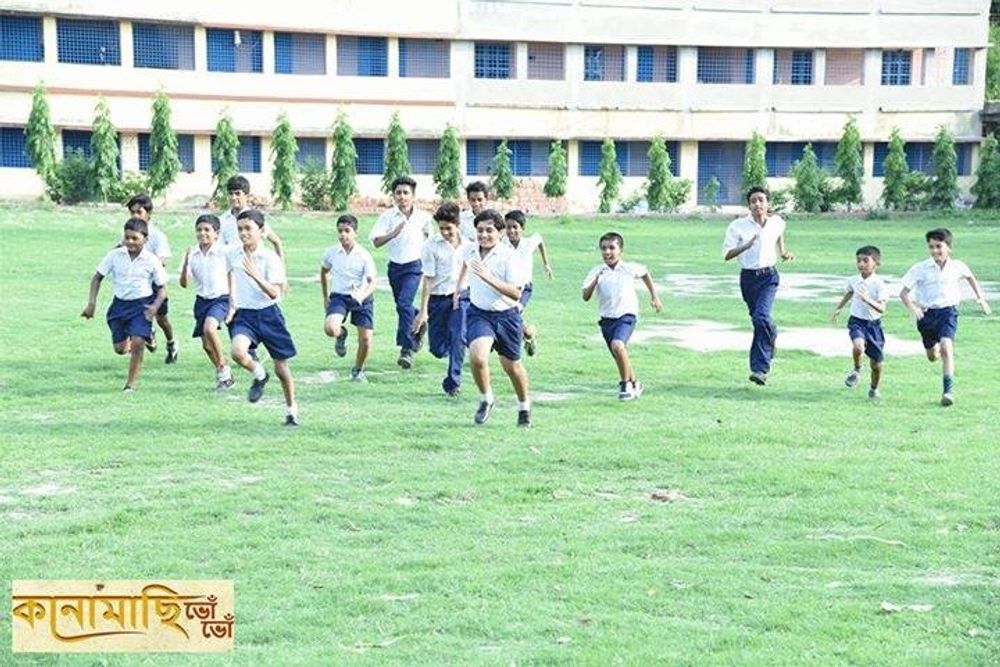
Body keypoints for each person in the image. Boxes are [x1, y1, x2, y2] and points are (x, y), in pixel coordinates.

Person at [454, 209, 532, 427]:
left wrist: (488, 278)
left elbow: (516, 294)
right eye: (480, 230)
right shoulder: (470, 251)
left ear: (501, 233)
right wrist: (459, 287)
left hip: (507, 317)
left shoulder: (510, 257)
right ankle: (486, 398)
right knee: (477, 358)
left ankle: (524, 405)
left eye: (489, 230)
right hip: (479, 314)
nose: (484, 235)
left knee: (512, 367)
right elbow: (464, 262)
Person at [899, 228, 992, 407]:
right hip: (926, 315)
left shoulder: (958, 266)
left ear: (949, 247)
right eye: (931, 247)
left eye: (939, 246)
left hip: (948, 312)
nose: (935, 251)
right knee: (932, 356)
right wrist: (913, 308)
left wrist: (980, 297)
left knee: (946, 346)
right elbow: (903, 293)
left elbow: (970, 277)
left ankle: (948, 392)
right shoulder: (920, 268)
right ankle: (933, 350)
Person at [225, 209, 299, 426]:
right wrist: (231, 303)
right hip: (245, 315)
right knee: (238, 352)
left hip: (269, 314)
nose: (243, 233)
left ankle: (291, 410)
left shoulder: (270, 258)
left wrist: (256, 276)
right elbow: (229, 274)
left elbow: (275, 293)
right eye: (240, 229)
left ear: (261, 231)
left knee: (281, 368)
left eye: (248, 228)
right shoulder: (233, 254)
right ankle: (259, 374)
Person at [81, 217, 167, 391]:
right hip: (119, 306)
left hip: (141, 306)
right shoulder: (115, 255)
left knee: (137, 343)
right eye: (127, 237)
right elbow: (97, 277)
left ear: (145, 239)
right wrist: (91, 304)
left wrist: (155, 306)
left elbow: (163, 288)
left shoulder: (151, 260)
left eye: (135, 238)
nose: (130, 242)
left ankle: (130, 385)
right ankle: (146, 335)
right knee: (120, 349)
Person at [722, 186, 794, 385]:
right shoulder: (737, 226)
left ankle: (759, 369)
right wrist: (745, 246)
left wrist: (783, 252)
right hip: (748, 279)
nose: (757, 204)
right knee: (760, 321)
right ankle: (771, 334)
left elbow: (779, 234)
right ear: (749, 205)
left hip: (769, 277)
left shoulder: (777, 222)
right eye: (753, 201)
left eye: (761, 200)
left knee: (760, 317)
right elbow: (726, 255)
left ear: (768, 203)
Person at [582, 232, 662, 400]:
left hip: (626, 315)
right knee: (619, 354)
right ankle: (636, 383)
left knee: (618, 345)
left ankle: (625, 385)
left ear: (621, 251)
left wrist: (654, 296)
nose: (607, 252)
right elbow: (585, 296)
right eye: (604, 248)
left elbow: (645, 273)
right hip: (606, 319)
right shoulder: (597, 271)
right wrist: (595, 281)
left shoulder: (628, 268)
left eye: (612, 248)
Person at [368, 175, 434, 370]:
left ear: (413, 195)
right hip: (395, 268)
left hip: (415, 267)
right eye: (398, 193)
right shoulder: (388, 217)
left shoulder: (423, 217)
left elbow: (431, 240)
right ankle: (419, 321)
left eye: (406, 193)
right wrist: (393, 234)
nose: (402, 196)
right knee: (403, 307)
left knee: (404, 304)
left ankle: (407, 348)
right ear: (393, 195)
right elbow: (376, 241)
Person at [412, 202, 473, 397]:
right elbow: (428, 280)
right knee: (438, 350)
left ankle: (453, 383)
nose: (445, 232)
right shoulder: (430, 246)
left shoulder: (470, 246)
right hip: (437, 299)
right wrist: (423, 311)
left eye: (449, 228)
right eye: (442, 228)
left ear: (458, 225)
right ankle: (443, 343)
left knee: (458, 336)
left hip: (461, 298)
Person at [179, 214, 234, 391]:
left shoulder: (224, 252)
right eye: (199, 230)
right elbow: (184, 283)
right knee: (207, 346)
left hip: (221, 298)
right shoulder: (192, 253)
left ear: (216, 233)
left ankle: (224, 369)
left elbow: (233, 274)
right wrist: (186, 263)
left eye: (207, 230)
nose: (202, 233)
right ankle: (224, 374)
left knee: (210, 329)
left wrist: (233, 302)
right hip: (202, 300)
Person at [320, 214, 377, 383]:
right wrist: (325, 297)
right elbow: (324, 271)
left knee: (365, 340)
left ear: (355, 233)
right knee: (330, 329)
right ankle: (341, 334)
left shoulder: (364, 255)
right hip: (339, 297)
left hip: (362, 298)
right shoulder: (331, 252)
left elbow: (372, 282)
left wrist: (362, 295)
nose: (343, 234)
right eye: (340, 231)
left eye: (347, 230)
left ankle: (358, 370)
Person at [125, 194, 177, 363]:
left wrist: (148, 267)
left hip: (155, 284)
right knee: (135, 315)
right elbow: (121, 250)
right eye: (132, 212)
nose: (135, 216)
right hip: (136, 285)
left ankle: (171, 343)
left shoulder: (157, 236)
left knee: (161, 318)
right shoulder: (128, 233)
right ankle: (147, 335)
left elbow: (164, 259)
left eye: (139, 212)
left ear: (148, 213)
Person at [831, 246, 887, 400]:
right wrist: (839, 308)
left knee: (877, 364)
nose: (861, 264)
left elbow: (882, 309)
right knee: (858, 346)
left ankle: (874, 389)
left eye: (865, 261)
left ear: (876, 263)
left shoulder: (879, 284)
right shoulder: (854, 280)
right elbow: (849, 292)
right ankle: (856, 370)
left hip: (874, 326)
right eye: (858, 261)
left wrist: (867, 299)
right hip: (857, 321)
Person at [503, 209, 553, 356]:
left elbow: (540, 240)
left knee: (513, 313)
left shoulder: (528, 243)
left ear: (522, 228)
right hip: (506, 288)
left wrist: (546, 264)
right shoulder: (502, 244)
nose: (511, 231)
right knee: (509, 315)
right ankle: (528, 334)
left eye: (515, 227)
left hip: (524, 288)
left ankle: (522, 339)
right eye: (508, 227)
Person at [219, 175, 285, 260]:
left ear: (246, 195)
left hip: (255, 264)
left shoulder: (254, 217)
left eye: (237, 194)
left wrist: (280, 266)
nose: (233, 197)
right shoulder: (222, 220)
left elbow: (276, 241)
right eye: (231, 194)